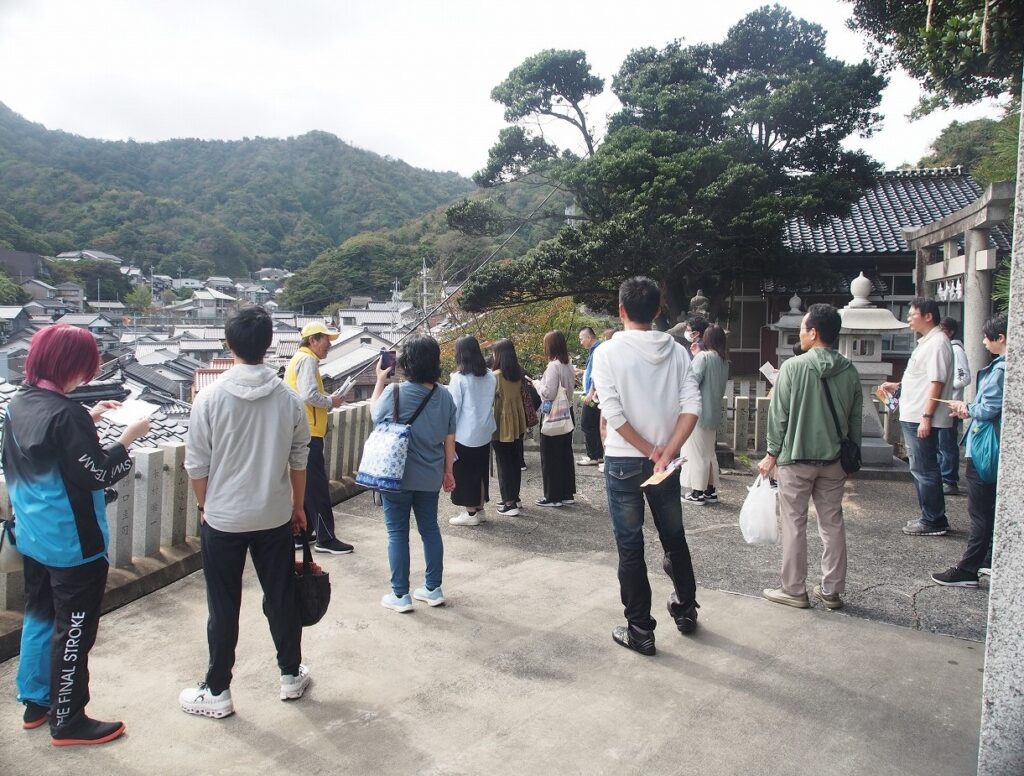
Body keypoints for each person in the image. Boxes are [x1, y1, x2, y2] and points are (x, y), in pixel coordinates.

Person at [4, 324, 149, 744]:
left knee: (40, 617)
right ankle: (68, 720)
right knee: (75, 630)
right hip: (73, 543)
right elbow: (98, 473)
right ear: (73, 364)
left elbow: (43, 448)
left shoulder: (20, 402)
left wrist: (90, 418)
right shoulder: (65, 414)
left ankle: (36, 702)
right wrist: (127, 439)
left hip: (33, 534)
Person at [180, 306, 312, 718]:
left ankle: (217, 690)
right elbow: (298, 458)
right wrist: (297, 506)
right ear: (269, 344)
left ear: (229, 344)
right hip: (273, 516)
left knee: (223, 606)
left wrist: (206, 506)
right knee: (281, 597)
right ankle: (291, 676)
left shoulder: (209, 398)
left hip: (223, 520)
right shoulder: (288, 399)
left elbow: (196, 465)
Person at [591, 277, 702, 656]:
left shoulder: (607, 353)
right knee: (674, 536)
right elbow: (692, 407)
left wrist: (648, 449)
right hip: (666, 465)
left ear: (621, 311)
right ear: (657, 311)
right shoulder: (678, 351)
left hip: (624, 461)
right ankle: (686, 610)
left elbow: (613, 414)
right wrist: (666, 451)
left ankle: (640, 630)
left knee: (630, 545)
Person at [758, 304, 862, 610]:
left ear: (814, 333)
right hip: (834, 461)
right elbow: (855, 419)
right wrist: (852, 454)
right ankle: (831, 590)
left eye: (803, 329)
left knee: (794, 523)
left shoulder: (792, 368)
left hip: (795, 459)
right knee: (832, 523)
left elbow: (779, 417)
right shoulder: (849, 370)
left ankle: (793, 589)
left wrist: (771, 454)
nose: (801, 334)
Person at [370, 334, 457, 612]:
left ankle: (400, 595)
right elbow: (449, 438)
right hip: (430, 475)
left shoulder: (395, 392)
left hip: (396, 476)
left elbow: (374, 414)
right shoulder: (444, 395)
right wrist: (448, 471)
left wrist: (380, 381)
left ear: (407, 361)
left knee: (397, 533)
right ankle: (433, 589)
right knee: (430, 529)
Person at [931, 313, 1006, 588]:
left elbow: (988, 409)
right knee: (987, 510)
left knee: (980, 511)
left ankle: (968, 568)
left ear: (1002, 338)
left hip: (985, 446)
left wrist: (967, 408)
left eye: (988, 338)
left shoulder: (1001, 370)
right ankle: (987, 560)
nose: (984, 343)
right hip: (989, 443)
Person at [880, 297, 954, 536]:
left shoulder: (938, 343)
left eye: (913, 314)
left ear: (928, 316)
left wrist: (926, 417)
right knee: (920, 468)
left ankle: (934, 520)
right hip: (912, 413)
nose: (909, 318)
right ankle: (929, 516)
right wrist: (898, 385)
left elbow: (936, 383)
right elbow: (921, 379)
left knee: (925, 469)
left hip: (920, 416)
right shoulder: (927, 342)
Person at [283, 321, 354, 555]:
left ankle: (301, 534)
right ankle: (326, 537)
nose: (328, 347)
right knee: (317, 488)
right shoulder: (307, 360)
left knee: (305, 487)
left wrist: (327, 400)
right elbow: (309, 395)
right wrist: (330, 401)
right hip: (308, 433)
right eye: (326, 341)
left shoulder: (299, 359)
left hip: (300, 431)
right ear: (313, 340)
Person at [447, 336, 496, 527]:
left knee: (465, 473)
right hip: (484, 430)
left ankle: (470, 512)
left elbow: (454, 410)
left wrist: (447, 436)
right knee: (480, 471)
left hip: (465, 434)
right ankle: (480, 509)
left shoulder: (459, 379)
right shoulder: (490, 375)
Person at [681, 324, 729, 505]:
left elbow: (691, 382)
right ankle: (710, 490)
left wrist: (694, 358)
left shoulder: (703, 357)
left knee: (695, 453)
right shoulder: (723, 360)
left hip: (698, 413)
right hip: (714, 412)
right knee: (709, 454)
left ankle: (697, 492)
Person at [536, 331, 577, 507]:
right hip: (567, 413)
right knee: (565, 455)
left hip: (553, 415)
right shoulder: (568, 365)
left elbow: (549, 393)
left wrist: (537, 384)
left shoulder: (553, 366)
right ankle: (567, 493)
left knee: (550, 456)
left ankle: (553, 496)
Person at [490, 339, 528, 516]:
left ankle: (509, 503)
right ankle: (514, 497)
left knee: (503, 462)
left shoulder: (496, 375)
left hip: (501, 423)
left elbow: (489, 400)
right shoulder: (517, 373)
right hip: (517, 422)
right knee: (514, 460)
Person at [937, 317, 970, 496]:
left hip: (950, 406)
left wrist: (946, 385)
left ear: (950, 332)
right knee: (940, 444)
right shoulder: (944, 348)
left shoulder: (956, 350)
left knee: (947, 444)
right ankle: (943, 477)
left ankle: (949, 479)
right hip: (941, 404)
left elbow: (964, 378)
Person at [576, 326, 604, 467]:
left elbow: (597, 373)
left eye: (581, 338)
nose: (581, 342)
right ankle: (598, 455)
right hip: (594, 394)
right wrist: (582, 372)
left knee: (587, 424)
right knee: (594, 425)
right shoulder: (596, 350)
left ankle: (593, 456)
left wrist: (591, 392)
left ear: (588, 337)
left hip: (593, 395)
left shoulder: (598, 350)